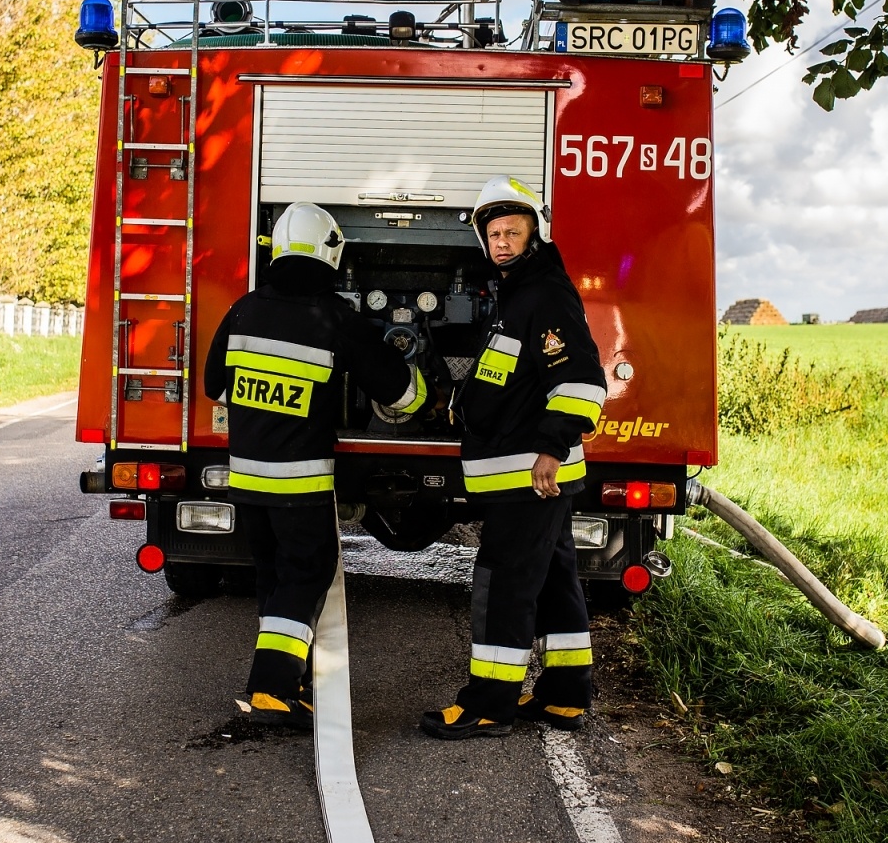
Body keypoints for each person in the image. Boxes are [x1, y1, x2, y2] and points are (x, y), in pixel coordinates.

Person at [205, 201, 428, 729]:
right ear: (332, 254)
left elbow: (214, 385)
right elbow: (400, 394)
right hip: (299, 480)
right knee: (308, 572)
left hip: (247, 478)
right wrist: (423, 392)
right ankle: (271, 690)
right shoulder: (335, 318)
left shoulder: (243, 310)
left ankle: (292, 680)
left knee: (276, 577)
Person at [422, 176, 607, 740]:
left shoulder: (544, 295)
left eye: (513, 231)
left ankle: (490, 704)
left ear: (535, 234)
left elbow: (580, 379)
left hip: (530, 474)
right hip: (522, 473)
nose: (502, 242)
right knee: (552, 581)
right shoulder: (519, 294)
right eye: (494, 233)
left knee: (503, 583)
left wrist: (552, 447)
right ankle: (563, 697)